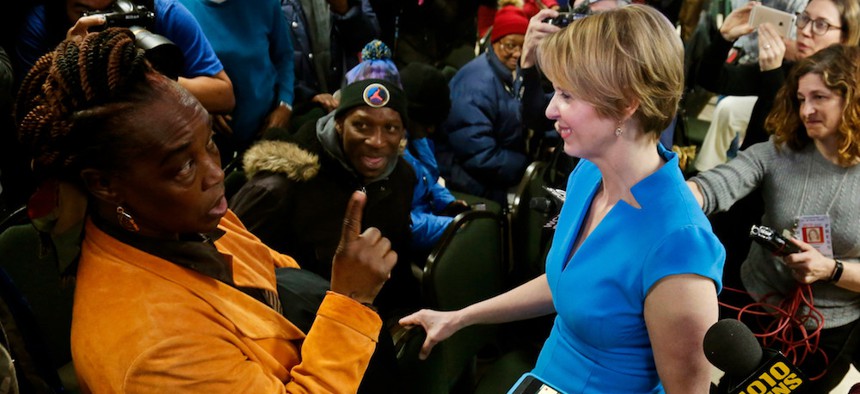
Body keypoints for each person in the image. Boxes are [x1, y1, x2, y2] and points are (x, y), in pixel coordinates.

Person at [15, 28, 395, 392]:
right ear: (103, 184)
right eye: (183, 165)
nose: (216, 174)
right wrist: (350, 303)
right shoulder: (154, 351)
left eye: (210, 142)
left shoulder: (180, 213)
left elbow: (269, 269)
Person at [400, 5, 725, 393]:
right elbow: (568, 283)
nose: (551, 109)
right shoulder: (588, 173)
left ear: (626, 103)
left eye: (568, 95)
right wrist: (460, 317)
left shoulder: (679, 244)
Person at [688, 43, 860, 393]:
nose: (806, 110)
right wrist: (680, 197)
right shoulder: (779, 152)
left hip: (827, 333)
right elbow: (718, 183)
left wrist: (831, 269)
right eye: (800, 99)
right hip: (754, 307)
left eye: (820, 98)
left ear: (852, 99)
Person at [229, 73, 418, 319]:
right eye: (361, 125)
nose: (376, 141)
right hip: (295, 326)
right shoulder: (283, 184)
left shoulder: (401, 177)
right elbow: (230, 263)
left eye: (390, 128)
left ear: (403, 132)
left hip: (372, 320)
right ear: (339, 122)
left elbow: (400, 264)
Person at [15, 0, 235, 114]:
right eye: (84, 13)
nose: (99, 24)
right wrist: (70, 63)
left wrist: (147, 75)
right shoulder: (41, 23)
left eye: (110, 10)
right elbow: (34, 116)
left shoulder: (165, 13)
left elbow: (223, 96)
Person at [434, 4, 530, 205]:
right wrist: (524, 166)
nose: (517, 54)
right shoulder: (476, 84)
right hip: (467, 178)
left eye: (523, 46)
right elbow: (480, 156)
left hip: (494, 170)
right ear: (495, 41)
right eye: (510, 45)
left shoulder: (509, 71)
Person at [179, 0, 295, 160]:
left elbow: (284, 56)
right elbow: (173, 76)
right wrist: (203, 104)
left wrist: (285, 104)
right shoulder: (178, 7)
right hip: (209, 139)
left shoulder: (265, 4)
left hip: (264, 129)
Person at [399, 61, 470, 255]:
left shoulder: (418, 137)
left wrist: (447, 202)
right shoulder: (390, 155)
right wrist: (451, 225)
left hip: (429, 218)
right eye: (426, 123)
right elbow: (404, 223)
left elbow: (427, 179)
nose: (431, 129)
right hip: (409, 241)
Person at [281, 0, 379, 116]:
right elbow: (269, 61)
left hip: (348, 101)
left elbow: (371, 44)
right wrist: (308, 95)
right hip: (300, 108)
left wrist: (346, 11)